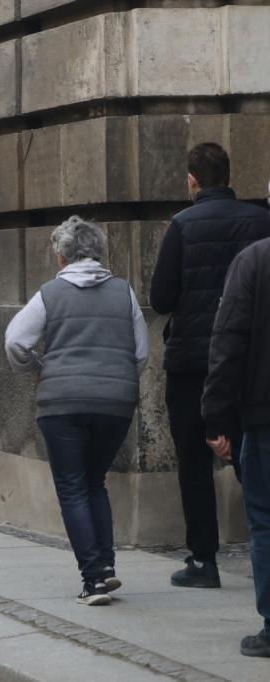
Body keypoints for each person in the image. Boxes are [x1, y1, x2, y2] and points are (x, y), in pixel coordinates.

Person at [5, 216, 148, 606]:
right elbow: (140, 354)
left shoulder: (50, 293)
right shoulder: (124, 292)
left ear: (61, 256)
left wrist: (37, 369)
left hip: (62, 402)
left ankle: (94, 580)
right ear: (98, 253)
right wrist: (116, 381)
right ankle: (106, 565)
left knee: (71, 486)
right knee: (94, 480)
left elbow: (15, 341)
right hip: (115, 404)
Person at [150, 142, 270, 588]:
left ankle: (204, 560)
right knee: (249, 454)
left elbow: (161, 298)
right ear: (230, 177)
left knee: (194, 461)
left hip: (192, 361)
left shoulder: (181, 225)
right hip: (249, 361)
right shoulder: (261, 221)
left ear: (191, 180)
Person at [201, 233, 270, 657]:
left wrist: (215, 417)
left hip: (265, 416)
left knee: (265, 521)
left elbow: (227, 341)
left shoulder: (255, 260)